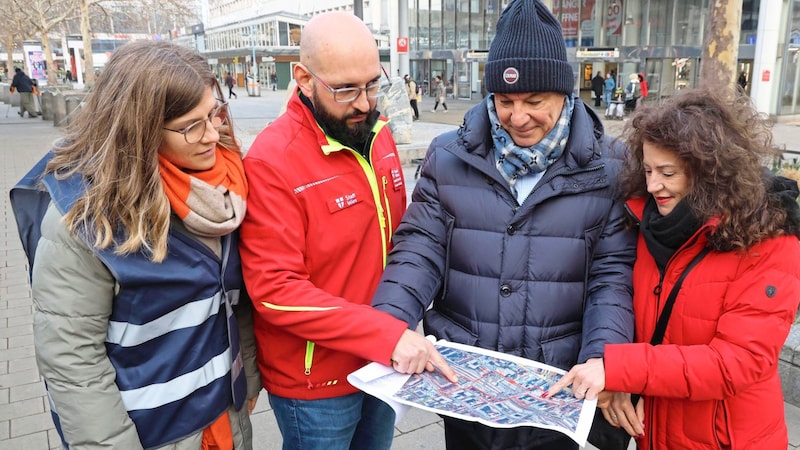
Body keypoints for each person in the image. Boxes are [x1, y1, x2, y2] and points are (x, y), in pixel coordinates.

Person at [372, 0, 636, 448]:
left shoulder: (609, 166)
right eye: (505, 100)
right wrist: (388, 326)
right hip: (464, 382)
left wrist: (602, 358)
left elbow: (613, 277)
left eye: (535, 101)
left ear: (566, 94)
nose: (517, 117)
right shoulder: (450, 155)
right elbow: (419, 248)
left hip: (556, 384)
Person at [9, 40, 261, 449]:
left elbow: (231, 302)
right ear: (138, 128)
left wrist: (245, 380)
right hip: (152, 434)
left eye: (214, 112)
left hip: (224, 418)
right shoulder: (81, 218)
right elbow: (73, 363)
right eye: (191, 125)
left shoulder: (224, 190)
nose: (213, 134)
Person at [239, 11, 456, 450]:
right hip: (316, 383)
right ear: (303, 78)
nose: (363, 103)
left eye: (373, 84)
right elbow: (276, 291)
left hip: (383, 362)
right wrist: (386, 335)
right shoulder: (272, 160)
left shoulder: (378, 136)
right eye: (344, 89)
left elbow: (403, 238)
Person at [547, 88, 800, 450]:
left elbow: (738, 362)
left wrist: (620, 369)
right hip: (658, 432)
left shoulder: (769, 241)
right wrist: (619, 382)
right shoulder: (650, 226)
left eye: (668, 172)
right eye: (648, 170)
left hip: (728, 439)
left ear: (710, 173)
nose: (653, 186)